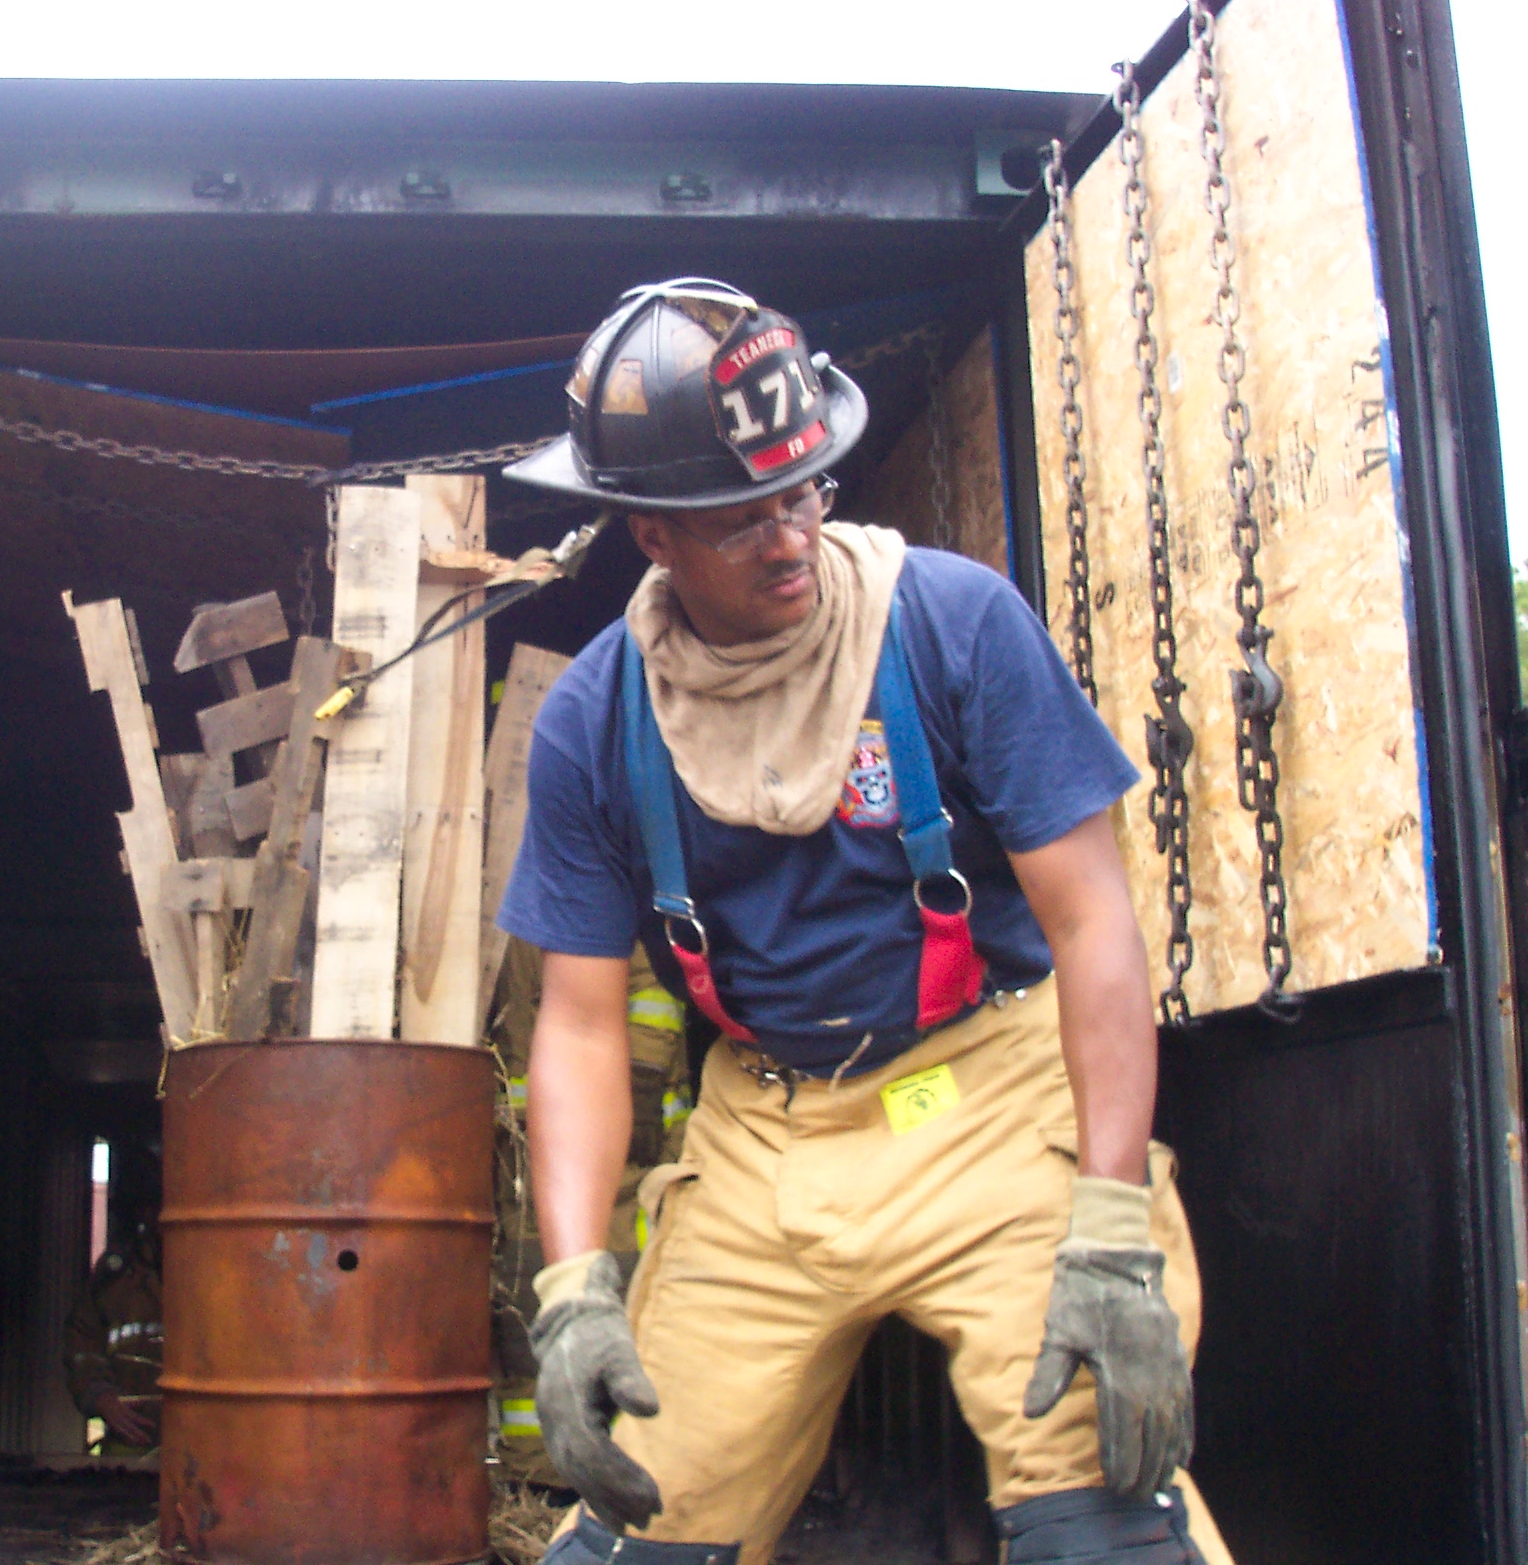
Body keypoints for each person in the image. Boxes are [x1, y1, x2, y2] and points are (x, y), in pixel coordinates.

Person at [492, 278, 1230, 1565]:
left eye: (803, 492)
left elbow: (1094, 926)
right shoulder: (596, 722)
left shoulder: (950, 621)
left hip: (995, 1095)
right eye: (742, 518)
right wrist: (572, 1293)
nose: (789, 537)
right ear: (651, 534)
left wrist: (1112, 1228)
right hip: (768, 1137)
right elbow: (582, 1025)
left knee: (1102, 1515)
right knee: (638, 1526)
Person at [490, 937, 693, 1486]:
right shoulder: (598, 912)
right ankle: (563, 1470)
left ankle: (556, 1470)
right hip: (584, 1142)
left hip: (560, 1144)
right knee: (570, 1296)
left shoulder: (535, 921)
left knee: (566, 1291)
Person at [65, 1187, 163, 1456]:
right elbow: (82, 1342)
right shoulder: (116, 1277)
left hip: (209, 1444)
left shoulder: (227, 1273)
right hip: (131, 1444)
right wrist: (99, 1396)